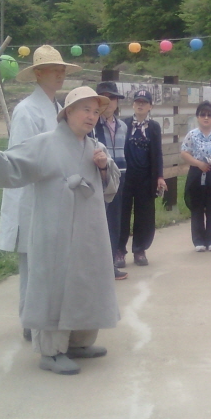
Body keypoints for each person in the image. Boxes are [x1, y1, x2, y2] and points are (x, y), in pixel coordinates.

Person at [0, 87, 121, 376]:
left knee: (87, 282)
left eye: (96, 111)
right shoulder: (44, 143)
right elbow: (11, 166)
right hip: (54, 232)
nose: (92, 117)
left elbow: (111, 188)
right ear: (68, 111)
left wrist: (104, 167)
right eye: (85, 109)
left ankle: (80, 342)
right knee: (54, 285)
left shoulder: (96, 148)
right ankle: (51, 350)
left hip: (89, 233)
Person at [0, 45, 80, 341]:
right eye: (54, 70)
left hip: (55, 194)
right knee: (33, 266)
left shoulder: (59, 109)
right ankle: (30, 322)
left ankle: (48, 321)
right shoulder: (26, 111)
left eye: (62, 70)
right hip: (31, 196)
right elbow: (20, 158)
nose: (60, 74)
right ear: (38, 73)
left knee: (51, 264)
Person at [117, 90, 166, 268]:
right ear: (132, 105)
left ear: (150, 106)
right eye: (137, 102)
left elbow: (158, 153)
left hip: (146, 178)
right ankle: (119, 250)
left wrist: (160, 176)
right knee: (122, 214)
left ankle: (139, 249)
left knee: (144, 215)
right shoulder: (123, 124)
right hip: (126, 177)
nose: (140, 105)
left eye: (144, 102)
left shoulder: (154, 127)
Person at [180, 101, 211, 252]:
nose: (206, 118)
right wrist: (197, 163)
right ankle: (198, 241)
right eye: (203, 115)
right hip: (197, 173)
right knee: (197, 207)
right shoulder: (192, 135)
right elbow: (184, 152)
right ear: (197, 117)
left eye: (209, 115)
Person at [94, 81, 128, 281]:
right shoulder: (92, 125)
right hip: (99, 178)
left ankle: (111, 264)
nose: (109, 102)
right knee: (99, 222)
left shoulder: (123, 125)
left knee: (115, 221)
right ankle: (98, 265)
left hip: (120, 178)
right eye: (104, 98)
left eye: (112, 98)